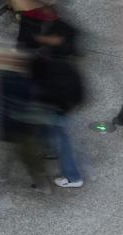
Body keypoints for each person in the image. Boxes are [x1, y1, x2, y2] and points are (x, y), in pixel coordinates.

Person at [31, 19, 85, 188]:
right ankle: (50, 150)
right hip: (58, 107)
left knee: (62, 141)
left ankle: (73, 177)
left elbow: (49, 87)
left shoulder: (54, 62)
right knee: (48, 130)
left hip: (57, 108)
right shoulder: (63, 60)